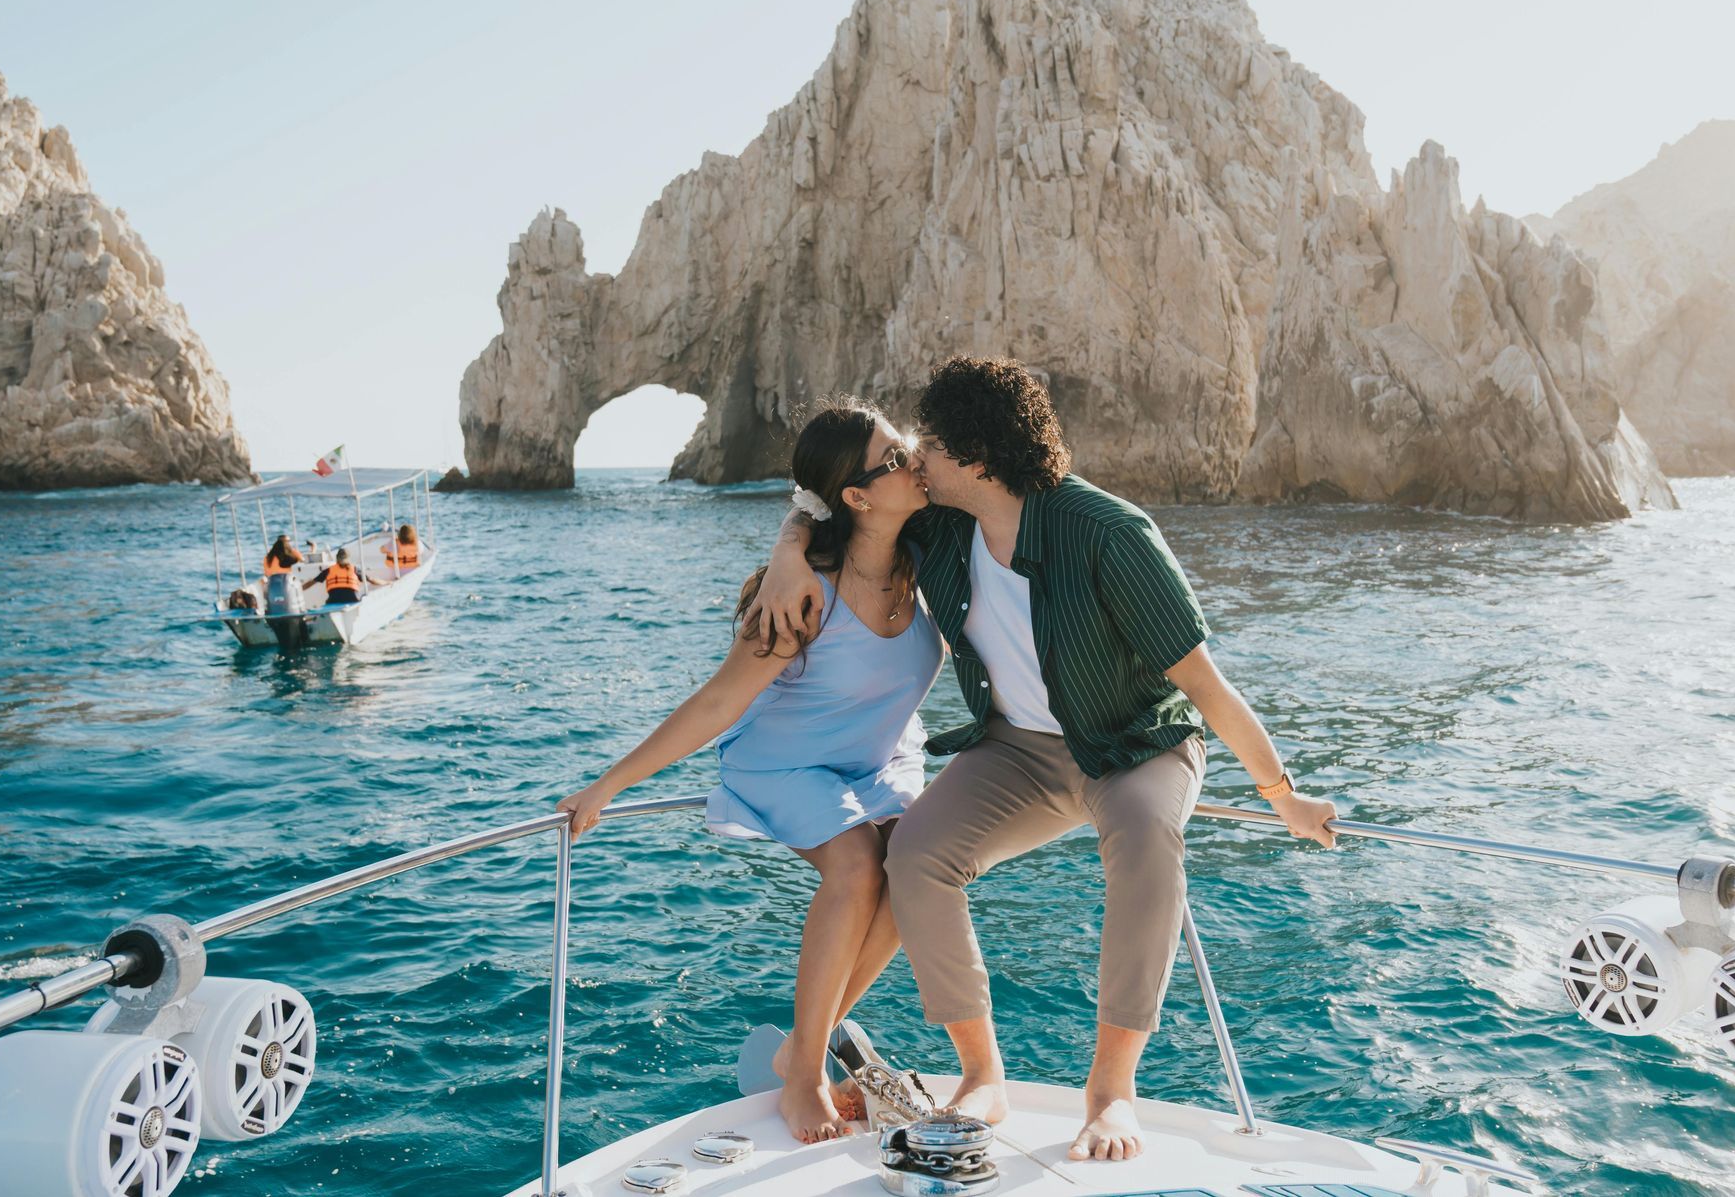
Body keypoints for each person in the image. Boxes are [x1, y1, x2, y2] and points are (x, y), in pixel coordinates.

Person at [749, 357, 1338, 1163]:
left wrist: (1282, 794)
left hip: (1135, 744)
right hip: (1020, 748)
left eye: (935, 447)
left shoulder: (1109, 534)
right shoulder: (943, 522)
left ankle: (1110, 1092)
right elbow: (838, 513)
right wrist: (789, 550)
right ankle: (981, 1070)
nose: (918, 459)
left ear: (981, 458)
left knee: (1142, 839)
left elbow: (1205, 685)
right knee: (916, 854)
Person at [554, 398, 941, 1145]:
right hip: (787, 760)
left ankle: (804, 1043)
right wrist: (610, 783)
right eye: (895, 456)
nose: (914, 458)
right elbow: (718, 701)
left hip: (875, 759)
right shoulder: (803, 592)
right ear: (858, 497)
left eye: (907, 443)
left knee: (918, 870)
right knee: (858, 868)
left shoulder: (931, 552)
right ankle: (802, 1079)